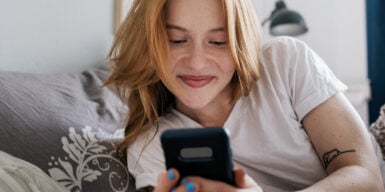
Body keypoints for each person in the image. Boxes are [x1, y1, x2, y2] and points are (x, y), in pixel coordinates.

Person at [105, 0, 385, 191]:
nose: (198, 62)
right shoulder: (151, 145)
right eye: (177, 40)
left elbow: (369, 178)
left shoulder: (285, 62)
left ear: (240, 40)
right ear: (149, 44)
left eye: (218, 41)